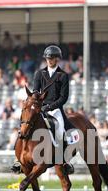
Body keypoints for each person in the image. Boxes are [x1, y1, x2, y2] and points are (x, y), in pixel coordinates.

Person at [11, 45, 76, 175]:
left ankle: (64, 160)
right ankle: (18, 160)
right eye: (47, 58)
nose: (49, 60)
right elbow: (35, 90)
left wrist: (49, 107)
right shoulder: (39, 73)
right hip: (40, 108)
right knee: (25, 126)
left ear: (57, 59)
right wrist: (34, 101)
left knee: (60, 130)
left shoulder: (62, 76)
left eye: (51, 58)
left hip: (55, 109)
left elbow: (63, 98)